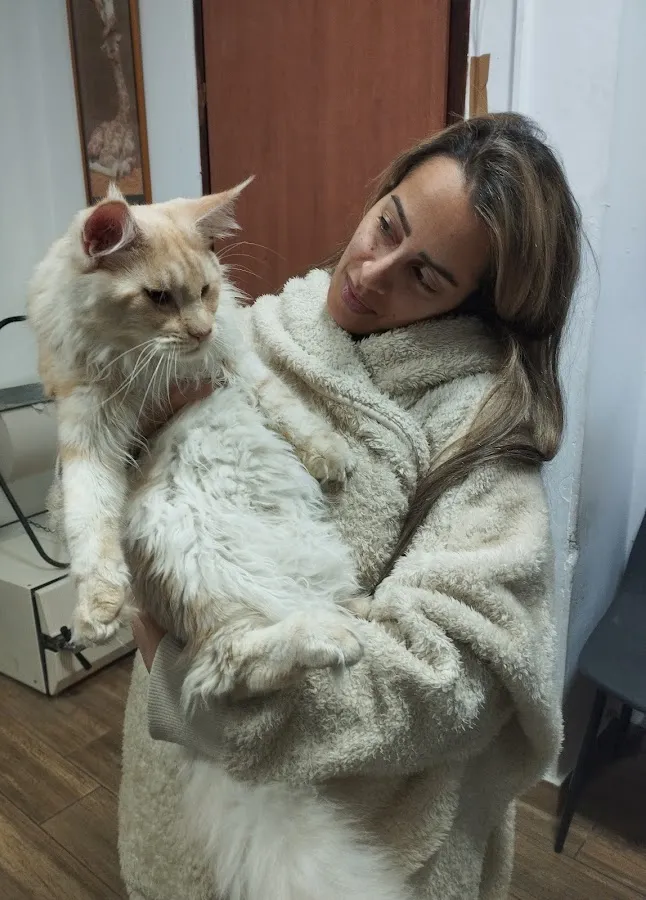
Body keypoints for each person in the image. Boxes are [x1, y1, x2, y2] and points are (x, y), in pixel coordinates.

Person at [119, 113, 581, 900]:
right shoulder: (255, 328)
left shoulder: (481, 437)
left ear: (478, 305)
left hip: (346, 839)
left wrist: (206, 694)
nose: (371, 271)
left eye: (425, 275)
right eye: (387, 225)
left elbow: (452, 676)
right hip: (181, 796)